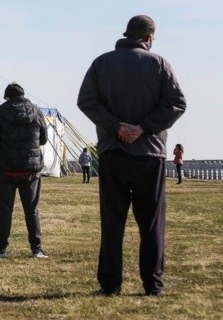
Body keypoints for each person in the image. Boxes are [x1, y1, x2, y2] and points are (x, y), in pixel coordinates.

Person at [78, 15, 186, 296]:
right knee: (151, 223)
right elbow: (176, 103)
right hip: (149, 153)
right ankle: (152, 283)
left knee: (112, 222)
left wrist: (116, 127)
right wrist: (143, 127)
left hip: (112, 152)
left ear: (126, 34)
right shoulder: (159, 64)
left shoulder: (101, 63)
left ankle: (110, 283)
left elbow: (86, 101)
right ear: (149, 37)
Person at [0, 82, 49, 259]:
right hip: (30, 169)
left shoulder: (1, 112)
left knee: (5, 210)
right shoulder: (36, 111)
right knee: (32, 209)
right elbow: (43, 139)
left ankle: (0, 248)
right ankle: (36, 248)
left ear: (7, 96)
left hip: (6, 168)